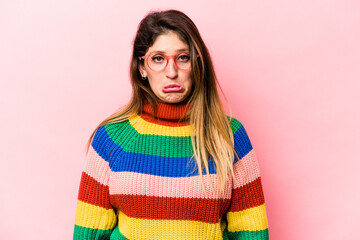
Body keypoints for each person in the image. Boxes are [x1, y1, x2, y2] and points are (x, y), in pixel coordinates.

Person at [73, 9, 269, 240]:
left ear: (197, 63)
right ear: (142, 67)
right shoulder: (112, 138)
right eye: (158, 59)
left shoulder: (229, 136)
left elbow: (252, 232)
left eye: (182, 57)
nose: (172, 72)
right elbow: (88, 234)